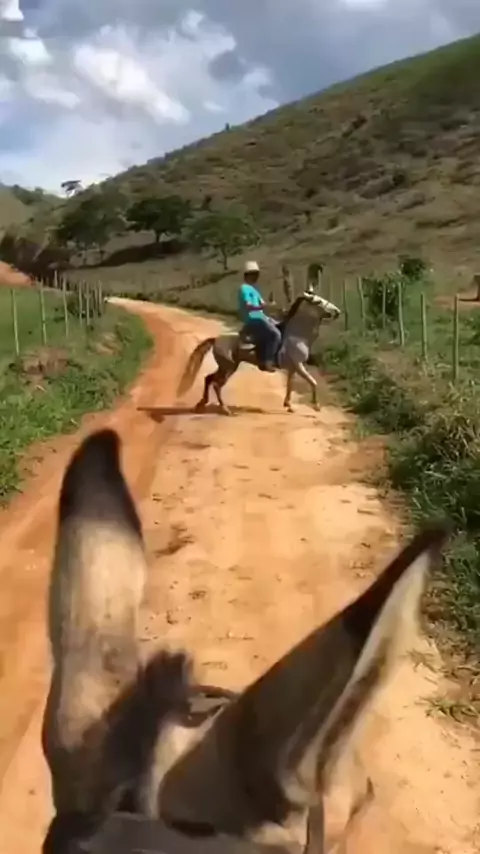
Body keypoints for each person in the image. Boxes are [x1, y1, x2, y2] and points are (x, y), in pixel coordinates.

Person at [237, 261, 281, 372]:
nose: (256, 277)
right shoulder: (244, 288)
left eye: (257, 274)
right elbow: (249, 306)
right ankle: (268, 361)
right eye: (254, 274)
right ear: (247, 275)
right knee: (276, 334)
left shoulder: (254, 290)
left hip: (260, 317)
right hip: (252, 318)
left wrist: (273, 308)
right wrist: (263, 307)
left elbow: (263, 305)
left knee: (281, 325)